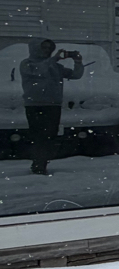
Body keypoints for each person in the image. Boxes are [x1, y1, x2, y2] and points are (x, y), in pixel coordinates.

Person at [19, 39, 83, 175]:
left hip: (53, 105)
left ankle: (42, 162)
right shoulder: (27, 64)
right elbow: (39, 70)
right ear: (35, 48)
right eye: (44, 48)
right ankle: (38, 164)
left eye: (49, 48)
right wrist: (54, 59)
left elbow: (76, 75)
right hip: (34, 105)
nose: (47, 51)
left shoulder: (55, 66)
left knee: (50, 136)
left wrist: (78, 62)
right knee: (38, 136)